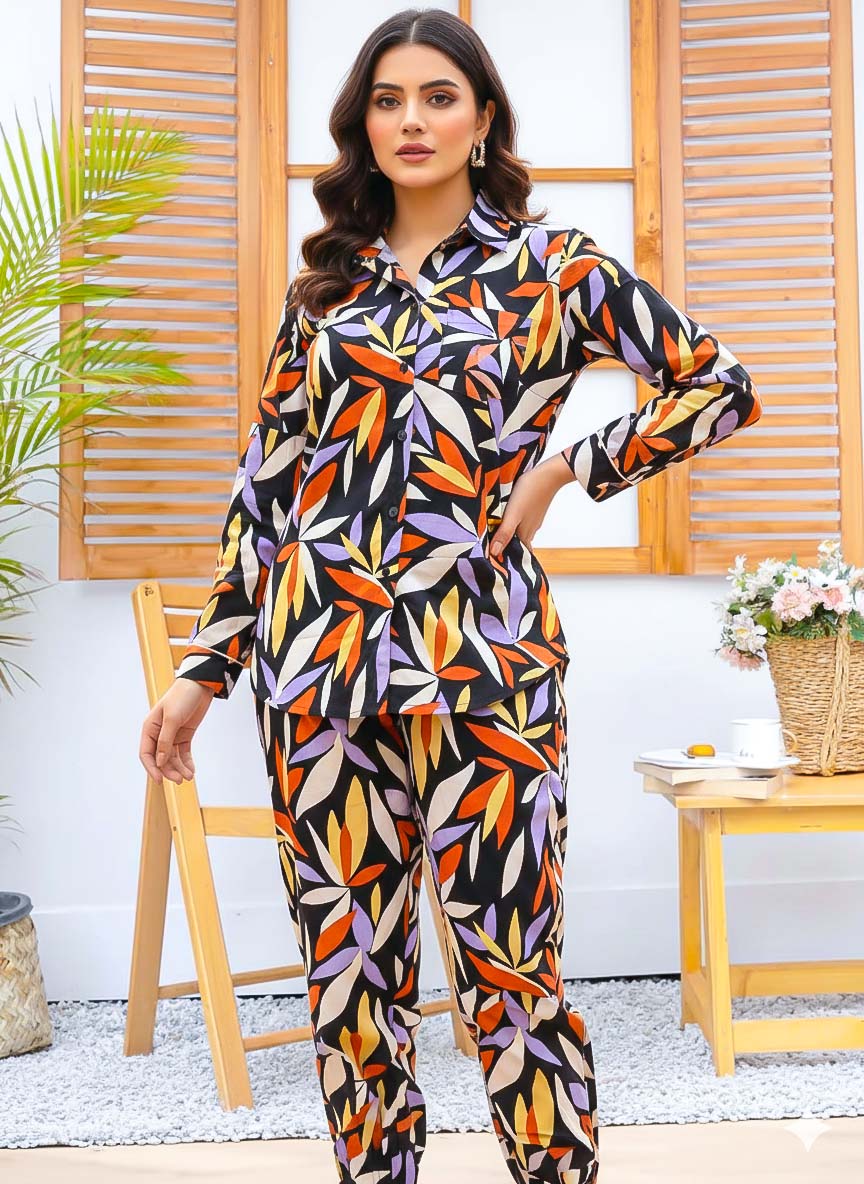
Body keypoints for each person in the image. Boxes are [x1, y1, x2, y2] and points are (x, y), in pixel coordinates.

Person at [139, 9, 762, 1183]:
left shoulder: (556, 267)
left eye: (437, 96)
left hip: (489, 667)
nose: (411, 120)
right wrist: (203, 667)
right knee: (351, 985)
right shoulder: (323, 294)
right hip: (320, 672)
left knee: (512, 978)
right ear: (362, 126)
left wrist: (573, 466)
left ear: (482, 119)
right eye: (388, 100)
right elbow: (266, 492)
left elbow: (717, 383)